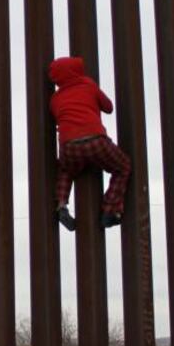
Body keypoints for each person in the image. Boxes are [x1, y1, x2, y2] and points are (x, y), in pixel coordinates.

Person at [49, 56, 131, 231]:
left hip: (69, 146)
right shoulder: (88, 84)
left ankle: (61, 205)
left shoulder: (55, 99)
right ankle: (110, 210)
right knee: (122, 166)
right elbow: (108, 107)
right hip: (95, 140)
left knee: (65, 171)